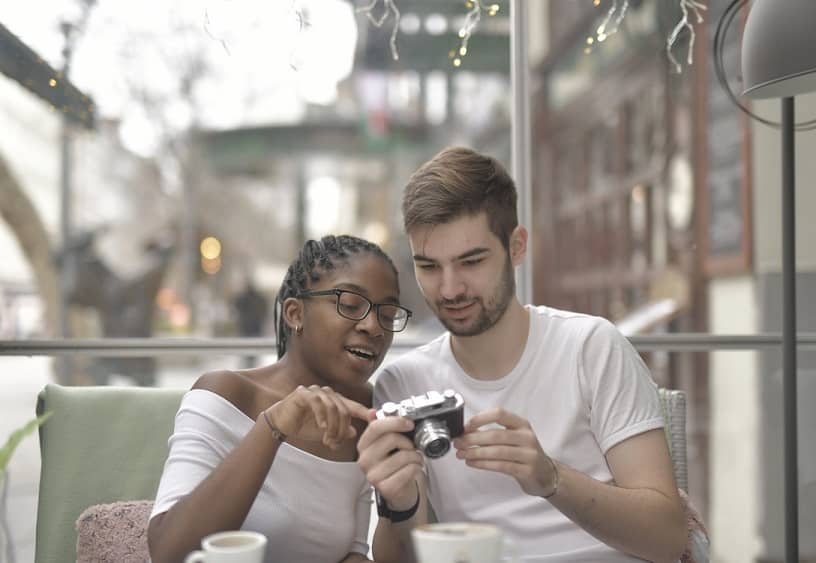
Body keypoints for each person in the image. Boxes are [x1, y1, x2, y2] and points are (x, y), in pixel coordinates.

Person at [356, 147, 687, 562]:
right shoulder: (403, 384)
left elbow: (668, 539)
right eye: (429, 267)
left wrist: (550, 478)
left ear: (516, 247)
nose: (450, 289)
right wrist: (398, 504)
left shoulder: (591, 347)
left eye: (471, 261)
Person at [148, 235, 413, 563]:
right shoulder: (226, 394)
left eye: (387, 313)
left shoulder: (365, 419)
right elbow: (166, 552)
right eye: (350, 303)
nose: (374, 327)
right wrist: (272, 428)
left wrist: (405, 499)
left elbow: (350, 553)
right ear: (294, 313)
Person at [233, 279, 270, 367]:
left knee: (247, 350)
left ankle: (249, 365)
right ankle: (251, 365)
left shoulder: (243, 298)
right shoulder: (259, 298)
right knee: (253, 350)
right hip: (254, 327)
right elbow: (264, 309)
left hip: (247, 327)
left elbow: (236, 306)